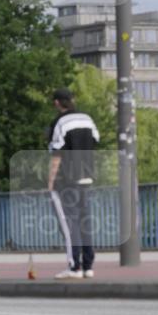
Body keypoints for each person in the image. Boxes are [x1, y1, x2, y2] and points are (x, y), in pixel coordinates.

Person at [46, 88, 100, 280]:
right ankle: (88, 266)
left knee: (70, 224)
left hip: (67, 179)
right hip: (87, 176)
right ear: (72, 100)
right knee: (85, 222)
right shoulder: (87, 119)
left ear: (57, 103)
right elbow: (95, 141)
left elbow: (57, 154)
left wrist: (50, 181)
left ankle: (74, 267)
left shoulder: (59, 123)